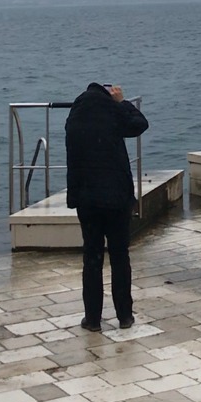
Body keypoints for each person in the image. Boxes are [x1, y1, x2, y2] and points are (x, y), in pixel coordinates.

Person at [65, 81, 149, 332]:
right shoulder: (113, 111)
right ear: (107, 93)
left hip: (87, 199)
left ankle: (92, 319)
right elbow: (140, 124)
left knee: (92, 257)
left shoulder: (74, 117)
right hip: (116, 198)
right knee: (120, 256)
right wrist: (122, 102)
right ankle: (124, 316)